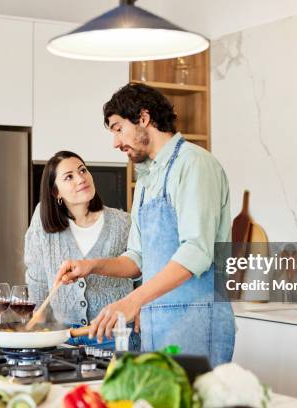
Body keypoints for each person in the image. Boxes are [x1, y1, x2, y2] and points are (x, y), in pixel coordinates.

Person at [55, 83, 235, 366]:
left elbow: (196, 252)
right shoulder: (147, 181)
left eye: (118, 128)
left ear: (144, 118)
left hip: (199, 323)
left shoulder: (195, 165)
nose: (115, 142)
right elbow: (138, 259)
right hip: (157, 326)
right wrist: (90, 266)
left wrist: (133, 300)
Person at [24, 150, 139, 350]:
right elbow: (37, 280)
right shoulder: (41, 223)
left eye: (83, 170)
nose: (81, 178)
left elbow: (143, 272)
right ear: (55, 192)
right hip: (61, 338)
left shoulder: (123, 223)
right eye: (69, 177)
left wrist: (140, 306)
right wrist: (38, 329)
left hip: (113, 335)